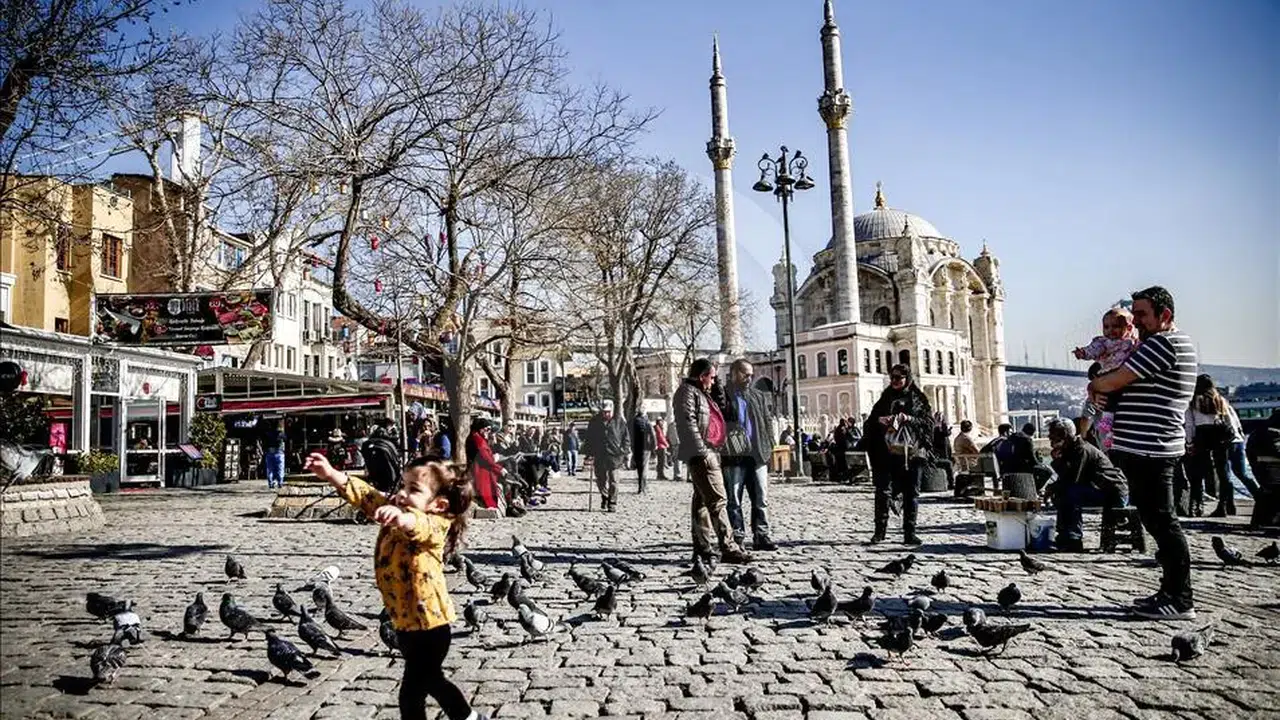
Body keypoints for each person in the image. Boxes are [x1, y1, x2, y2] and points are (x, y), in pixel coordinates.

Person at [303, 452, 488, 720]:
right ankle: (468, 717)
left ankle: (467, 717)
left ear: (438, 504)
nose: (402, 493)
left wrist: (402, 519)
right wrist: (332, 475)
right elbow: (368, 497)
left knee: (412, 692)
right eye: (402, 485)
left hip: (431, 627)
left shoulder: (436, 523)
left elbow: (418, 526)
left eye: (413, 489)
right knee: (432, 681)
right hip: (405, 625)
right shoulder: (396, 509)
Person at [1090, 285, 1197, 620]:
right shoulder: (1158, 344)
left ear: (1164, 316)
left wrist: (1097, 386)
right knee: (1156, 520)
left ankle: (1180, 599)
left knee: (1164, 522)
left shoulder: (1164, 344)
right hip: (1147, 447)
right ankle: (1169, 591)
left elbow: (1112, 381)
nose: (1135, 322)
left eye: (1141, 315)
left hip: (1152, 448)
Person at [673, 358, 752, 565]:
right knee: (718, 500)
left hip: (710, 450)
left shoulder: (702, 393)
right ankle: (728, 546)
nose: (714, 381)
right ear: (702, 376)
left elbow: (722, 405)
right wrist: (701, 451)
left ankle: (703, 548)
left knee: (701, 503)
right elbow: (687, 422)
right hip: (702, 452)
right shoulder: (687, 393)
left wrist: (716, 385)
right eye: (712, 377)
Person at [862, 364, 934, 545]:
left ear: (907, 378)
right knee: (883, 492)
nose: (895, 381)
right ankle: (880, 532)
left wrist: (909, 419)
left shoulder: (917, 398)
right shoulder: (885, 398)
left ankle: (910, 532)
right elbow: (870, 422)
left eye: (899, 377)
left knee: (912, 493)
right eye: (892, 377)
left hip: (912, 453)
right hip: (886, 453)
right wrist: (880, 420)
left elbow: (928, 422)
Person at [1045, 418, 1129, 552]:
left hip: (1113, 492)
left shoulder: (1081, 450)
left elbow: (1073, 479)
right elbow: (1066, 476)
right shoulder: (1070, 449)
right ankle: (1064, 535)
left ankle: (1073, 538)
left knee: (1070, 492)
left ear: (1064, 436)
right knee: (1062, 494)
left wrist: (1056, 466)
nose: (1050, 439)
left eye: (1053, 435)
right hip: (1099, 489)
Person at [720, 358, 777, 551]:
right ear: (734, 373)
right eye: (745, 374)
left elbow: (767, 422)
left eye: (751, 375)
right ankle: (737, 536)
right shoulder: (723, 395)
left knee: (761, 498)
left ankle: (762, 535)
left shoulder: (758, 396)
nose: (749, 378)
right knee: (734, 499)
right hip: (734, 457)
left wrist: (769, 445)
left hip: (757, 455)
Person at [1074, 307, 1140, 449]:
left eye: (1116, 326)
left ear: (1128, 328)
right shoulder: (1103, 342)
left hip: (1123, 377)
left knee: (1115, 400)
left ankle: (1109, 432)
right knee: (1109, 402)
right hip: (1108, 376)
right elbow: (1094, 350)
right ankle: (1108, 429)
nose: (1110, 331)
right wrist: (1083, 353)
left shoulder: (1132, 342)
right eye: (1106, 327)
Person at [1184, 374, 1234, 517]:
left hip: (1201, 435)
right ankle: (1223, 506)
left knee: (1197, 473)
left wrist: (1189, 442)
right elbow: (1228, 421)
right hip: (1219, 435)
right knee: (1223, 472)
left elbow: (1189, 425)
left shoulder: (1193, 402)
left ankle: (1196, 506)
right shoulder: (1220, 400)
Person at [585, 400, 628, 512]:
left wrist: (624, 450)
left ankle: (612, 503)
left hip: (615, 456)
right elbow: (589, 439)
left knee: (614, 480)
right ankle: (605, 496)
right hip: (599, 455)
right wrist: (589, 453)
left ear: (612, 411)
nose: (606, 414)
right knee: (601, 480)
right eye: (604, 412)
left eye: (608, 412)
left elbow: (626, 438)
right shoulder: (594, 422)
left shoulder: (619, 421)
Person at [1245, 409, 1280, 528]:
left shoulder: (1258, 432)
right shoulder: (1273, 433)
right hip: (1272, 472)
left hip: (1262, 471)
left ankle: (1262, 518)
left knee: (1266, 492)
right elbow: (1277, 451)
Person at [465, 419, 503, 512]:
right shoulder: (477, 438)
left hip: (483, 465)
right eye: (487, 429)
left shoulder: (480, 437)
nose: (488, 432)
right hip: (479, 468)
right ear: (480, 428)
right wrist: (499, 469)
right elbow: (486, 458)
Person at [631, 410, 655, 493]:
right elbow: (652, 435)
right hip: (646, 447)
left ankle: (641, 486)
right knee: (644, 467)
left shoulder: (633, 422)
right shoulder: (647, 422)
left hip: (636, 447)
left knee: (639, 468)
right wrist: (653, 447)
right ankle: (642, 487)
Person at [261, 421, 287, 490]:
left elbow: (264, 442)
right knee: (280, 468)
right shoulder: (280, 433)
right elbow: (285, 439)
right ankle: (280, 483)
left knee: (270, 469)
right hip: (279, 452)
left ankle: (271, 483)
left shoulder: (267, 433)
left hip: (269, 452)